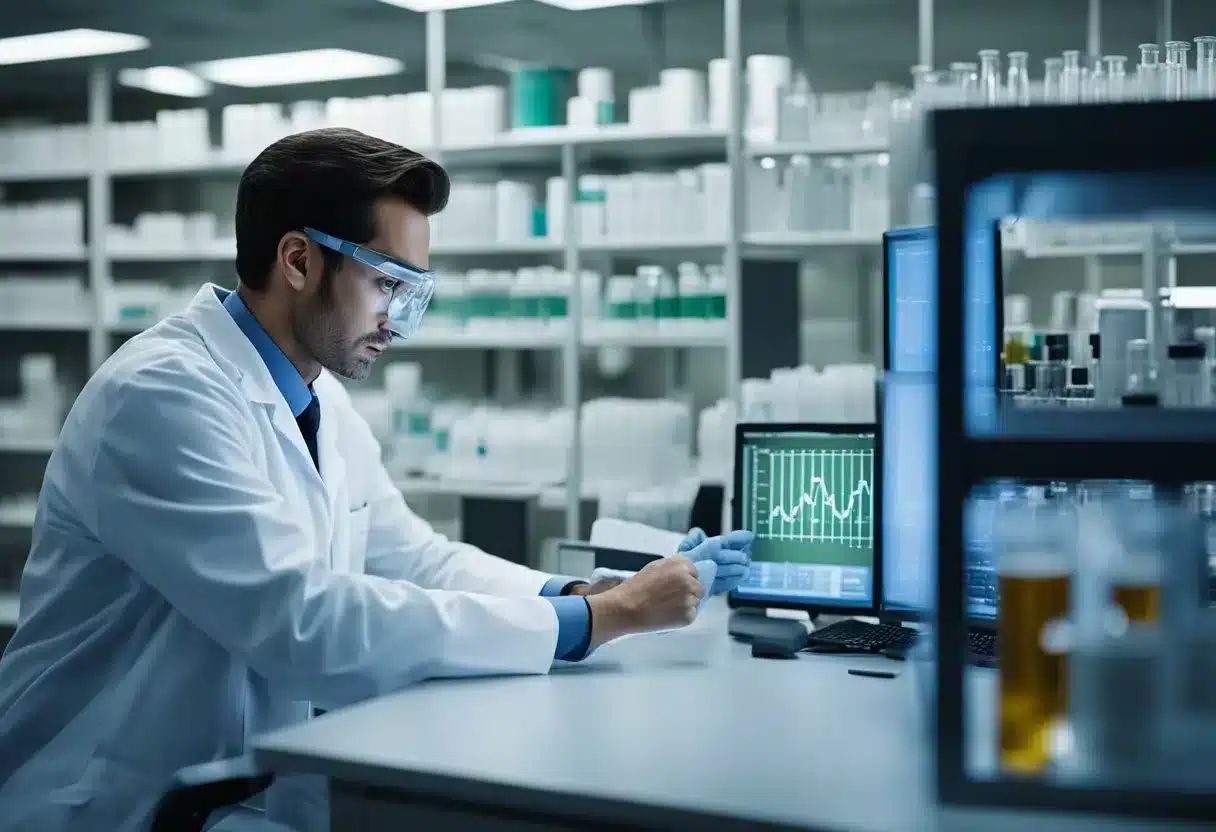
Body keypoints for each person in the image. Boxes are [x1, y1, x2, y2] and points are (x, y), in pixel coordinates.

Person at [0, 128, 753, 832]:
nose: (397, 321)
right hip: (113, 802)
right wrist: (599, 622)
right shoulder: (161, 396)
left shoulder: (318, 393)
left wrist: (580, 596)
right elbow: (304, 621)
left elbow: (415, 557)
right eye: (387, 285)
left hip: (234, 789)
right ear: (298, 260)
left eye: (412, 293)